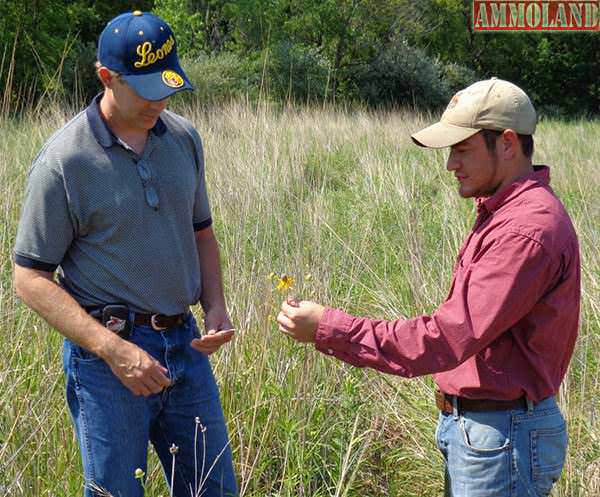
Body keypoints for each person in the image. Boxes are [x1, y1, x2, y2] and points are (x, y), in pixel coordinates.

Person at [277, 78, 580, 496]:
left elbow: (446, 337)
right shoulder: (505, 213)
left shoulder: (525, 231)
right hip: (489, 431)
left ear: (507, 144)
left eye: (462, 148)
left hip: (502, 435)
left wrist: (329, 327)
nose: (451, 164)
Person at [13, 11, 237, 497]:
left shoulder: (183, 139)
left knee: (213, 489)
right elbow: (29, 278)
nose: (161, 99)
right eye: (146, 88)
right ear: (106, 78)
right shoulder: (64, 162)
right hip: (108, 364)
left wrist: (215, 306)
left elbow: (202, 235)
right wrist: (115, 352)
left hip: (186, 346)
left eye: (168, 85)